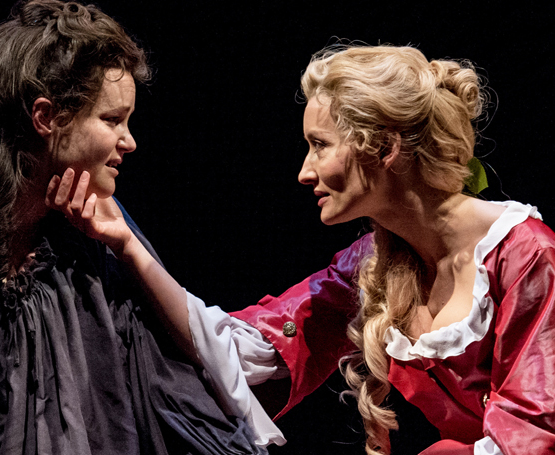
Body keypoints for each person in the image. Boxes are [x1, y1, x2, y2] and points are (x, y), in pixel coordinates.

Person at [62, 45, 555, 454]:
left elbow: (534, 434)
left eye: (320, 145)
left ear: (384, 148)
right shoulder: (372, 264)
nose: (305, 171)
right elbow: (247, 347)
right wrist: (128, 246)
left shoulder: (525, 256)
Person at [0, 1, 265, 454]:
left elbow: (177, 390)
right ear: (47, 118)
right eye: (111, 120)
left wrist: (126, 246)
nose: (129, 141)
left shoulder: (89, 242)